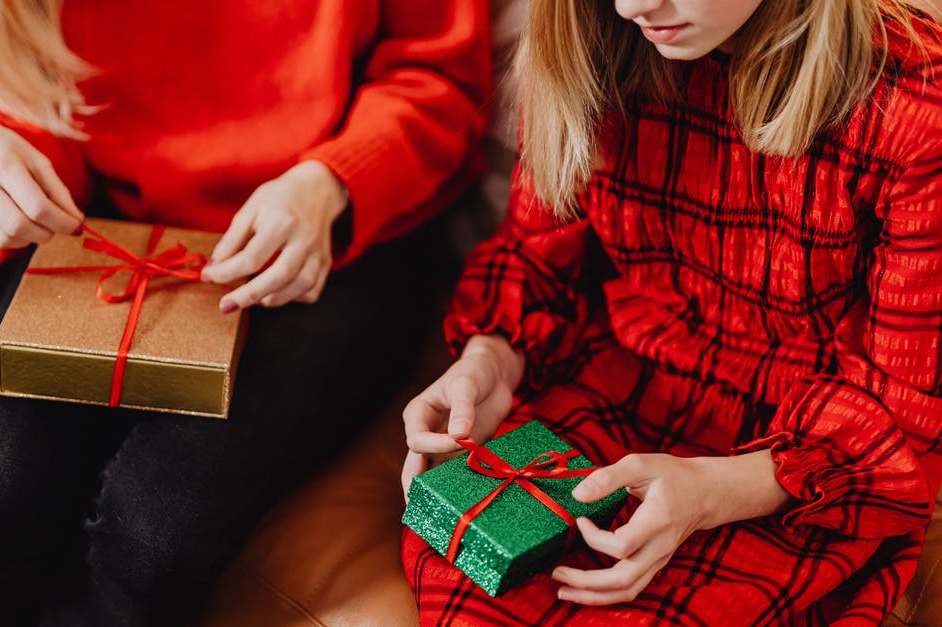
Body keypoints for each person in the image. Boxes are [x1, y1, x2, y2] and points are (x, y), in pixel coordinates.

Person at [0, 1, 490, 624]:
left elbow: (441, 78)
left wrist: (331, 183)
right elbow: (24, 84)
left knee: (153, 537)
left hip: (336, 231)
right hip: (112, 219)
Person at [401, 0, 942, 623]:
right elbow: (535, 253)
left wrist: (715, 493)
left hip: (796, 458)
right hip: (614, 387)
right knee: (477, 576)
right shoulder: (589, 35)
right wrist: (491, 358)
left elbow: (904, 402)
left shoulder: (914, 100)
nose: (634, 5)